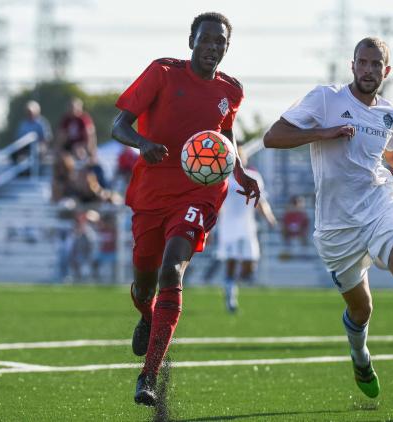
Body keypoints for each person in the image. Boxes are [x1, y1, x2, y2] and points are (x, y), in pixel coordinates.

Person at [263, 36, 393, 410]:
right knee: (362, 310)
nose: (369, 70)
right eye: (363, 63)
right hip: (337, 227)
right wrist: (321, 133)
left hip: (380, 206)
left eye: (376, 65)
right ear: (352, 65)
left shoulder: (390, 114)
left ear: (386, 71)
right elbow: (273, 137)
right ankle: (360, 357)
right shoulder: (326, 99)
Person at [110, 12, 260, 406]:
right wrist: (142, 143)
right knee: (144, 283)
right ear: (191, 39)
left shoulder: (231, 91)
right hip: (151, 191)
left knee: (171, 268)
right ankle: (147, 313)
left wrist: (240, 172)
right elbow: (118, 126)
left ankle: (149, 375)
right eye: (206, 39)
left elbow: (225, 136)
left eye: (220, 42)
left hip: (200, 192)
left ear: (227, 48)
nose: (213, 47)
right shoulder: (162, 73)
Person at [216, 147, 276, 312]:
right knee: (231, 262)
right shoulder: (223, 177)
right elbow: (216, 203)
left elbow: (261, 201)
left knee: (250, 266)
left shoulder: (253, 177)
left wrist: (269, 218)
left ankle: (231, 285)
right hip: (228, 227)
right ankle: (230, 298)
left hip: (247, 227)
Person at [13, 100, 52, 168]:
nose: (29, 113)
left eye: (31, 112)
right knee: (14, 152)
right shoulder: (23, 124)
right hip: (25, 146)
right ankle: (20, 171)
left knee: (38, 151)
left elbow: (46, 138)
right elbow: (18, 138)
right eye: (28, 111)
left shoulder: (42, 123)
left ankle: (37, 170)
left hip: (39, 145)